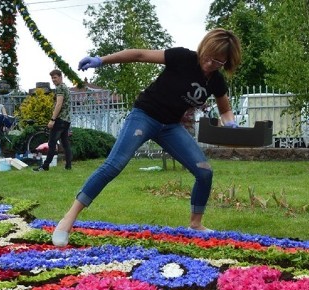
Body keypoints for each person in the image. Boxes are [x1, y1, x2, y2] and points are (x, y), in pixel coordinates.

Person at [50, 28, 242, 246]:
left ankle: (196, 224)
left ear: (226, 62)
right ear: (203, 48)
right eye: (208, 57)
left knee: (204, 172)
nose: (210, 64)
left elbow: (225, 109)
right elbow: (139, 55)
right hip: (145, 116)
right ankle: (68, 219)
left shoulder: (216, 81)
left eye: (218, 61)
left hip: (170, 126)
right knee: (114, 165)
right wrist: (101, 60)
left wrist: (231, 123)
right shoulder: (182, 57)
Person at [34, 70, 73, 172]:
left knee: (52, 143)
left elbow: (59, 104)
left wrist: (52, 119)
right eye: (52, 78)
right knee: (65, 143)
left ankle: (45, 166)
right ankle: (68, 166)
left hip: (60, 120)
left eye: (55, 77)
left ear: (60, 77)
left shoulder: (60, 88)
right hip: (67, 120)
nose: (53, 80)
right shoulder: (66, 88)